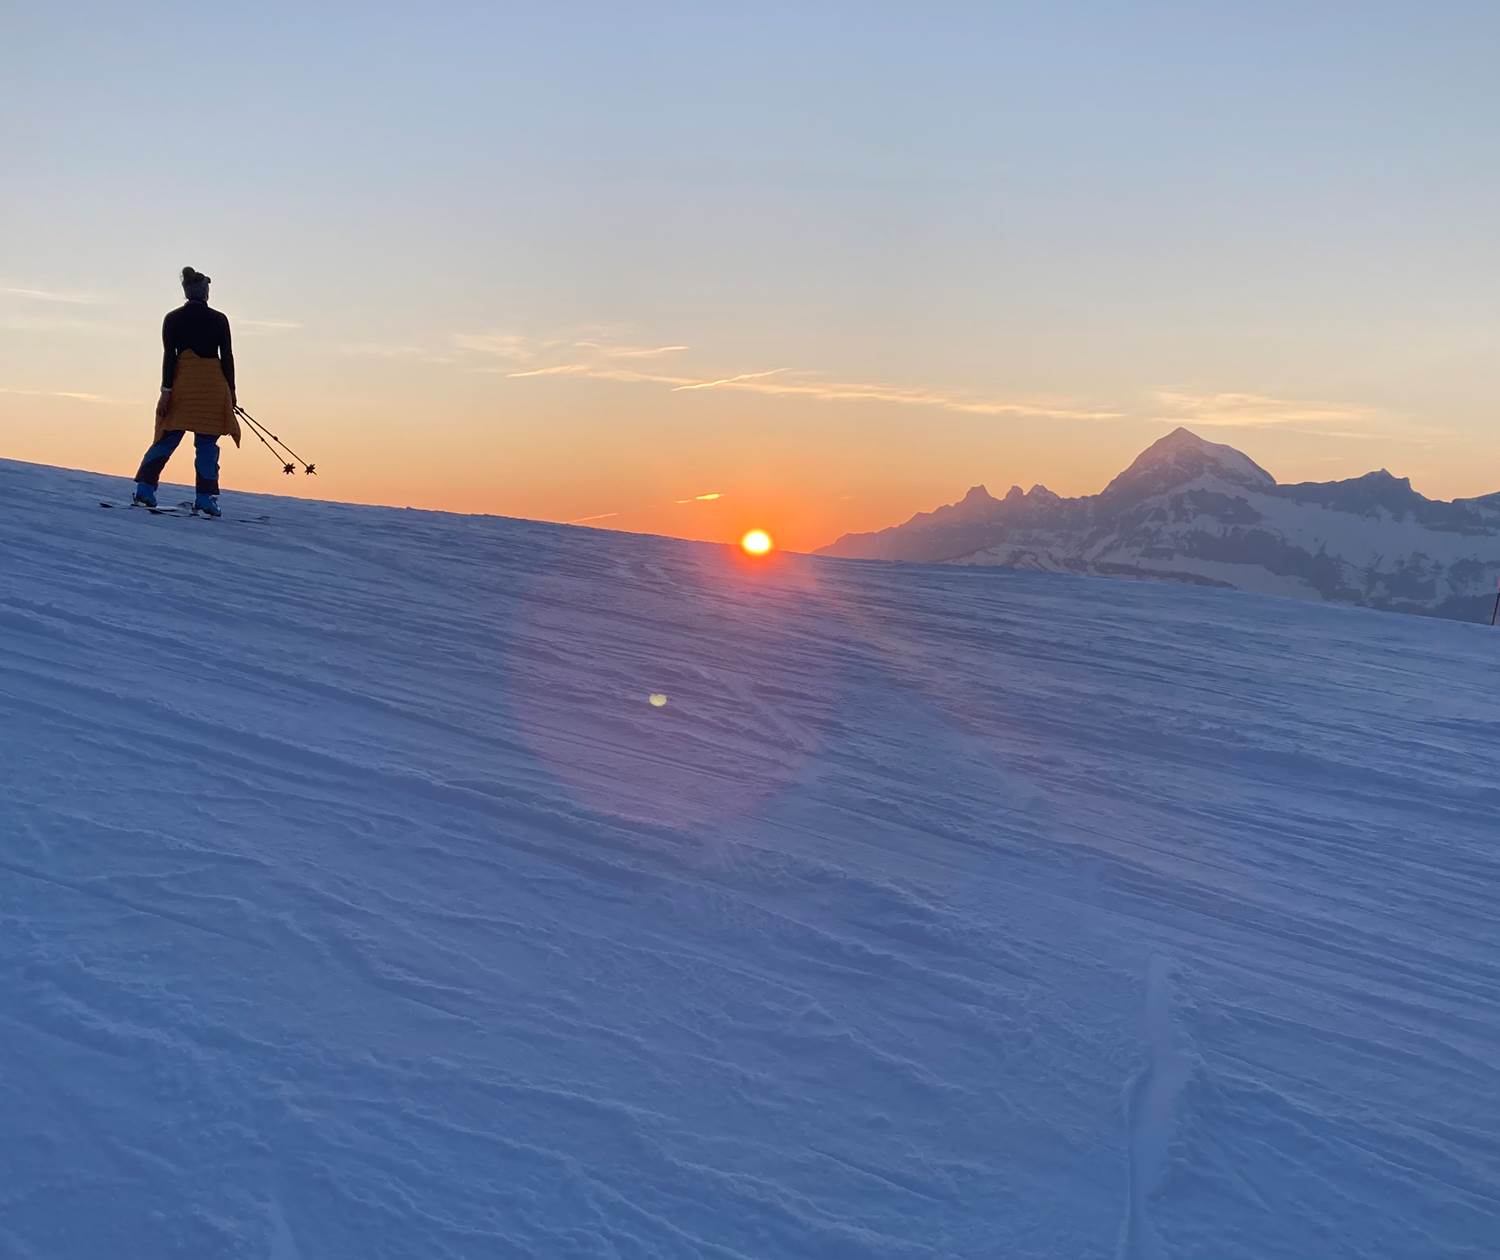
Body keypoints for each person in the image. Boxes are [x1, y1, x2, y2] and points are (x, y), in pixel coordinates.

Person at [132, 266, 242, 516]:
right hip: (213, 386)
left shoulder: (172, 319)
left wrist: (166, 389)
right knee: (206, 444)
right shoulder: (219, 319)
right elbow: (228, 357)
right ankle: (205, 499)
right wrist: (232, 391)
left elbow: (168, 357)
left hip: (183, 384)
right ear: (205, 293)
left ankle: (145, 490)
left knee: (167, 436)